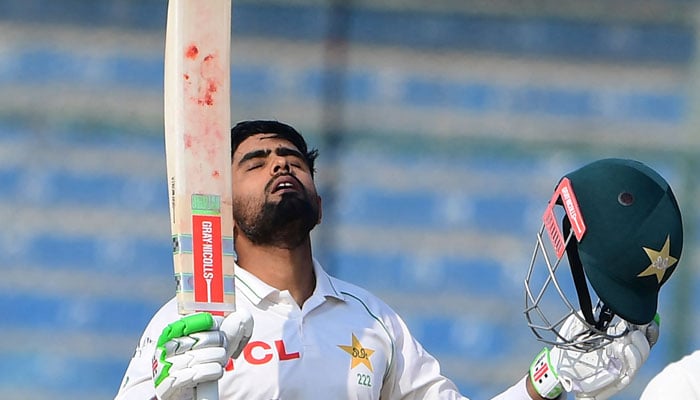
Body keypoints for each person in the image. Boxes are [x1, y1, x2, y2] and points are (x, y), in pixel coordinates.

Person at [114, 121, 677, 400]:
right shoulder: (187, 322)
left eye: (292, 159)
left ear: (319, 200)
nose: (280, 165)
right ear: (222, 208)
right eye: (254, 162)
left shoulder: (372, 320)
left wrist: (547, 383)